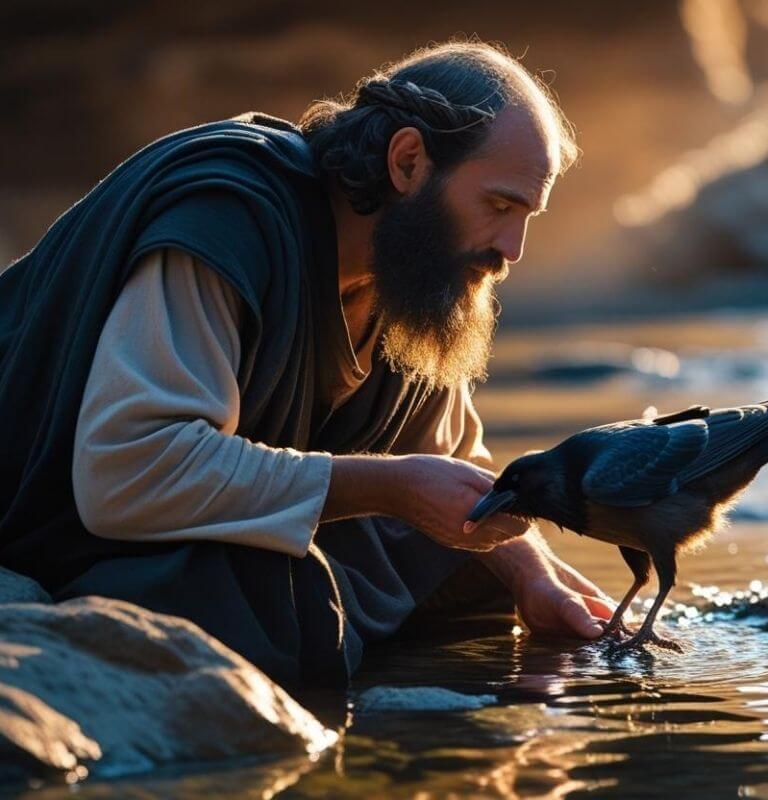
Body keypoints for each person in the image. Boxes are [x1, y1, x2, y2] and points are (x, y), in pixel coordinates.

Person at [0, 41, 615, 687]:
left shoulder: (412, 272)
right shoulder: (228, 218)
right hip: (55, 516)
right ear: (407, 161)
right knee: (275, 595)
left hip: (174, 520)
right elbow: (128, 471)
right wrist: (384, 486)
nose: (513, 249)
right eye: (498, 205)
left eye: (526, 215)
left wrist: (532, 574)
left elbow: (454, 464)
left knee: (469, 569)